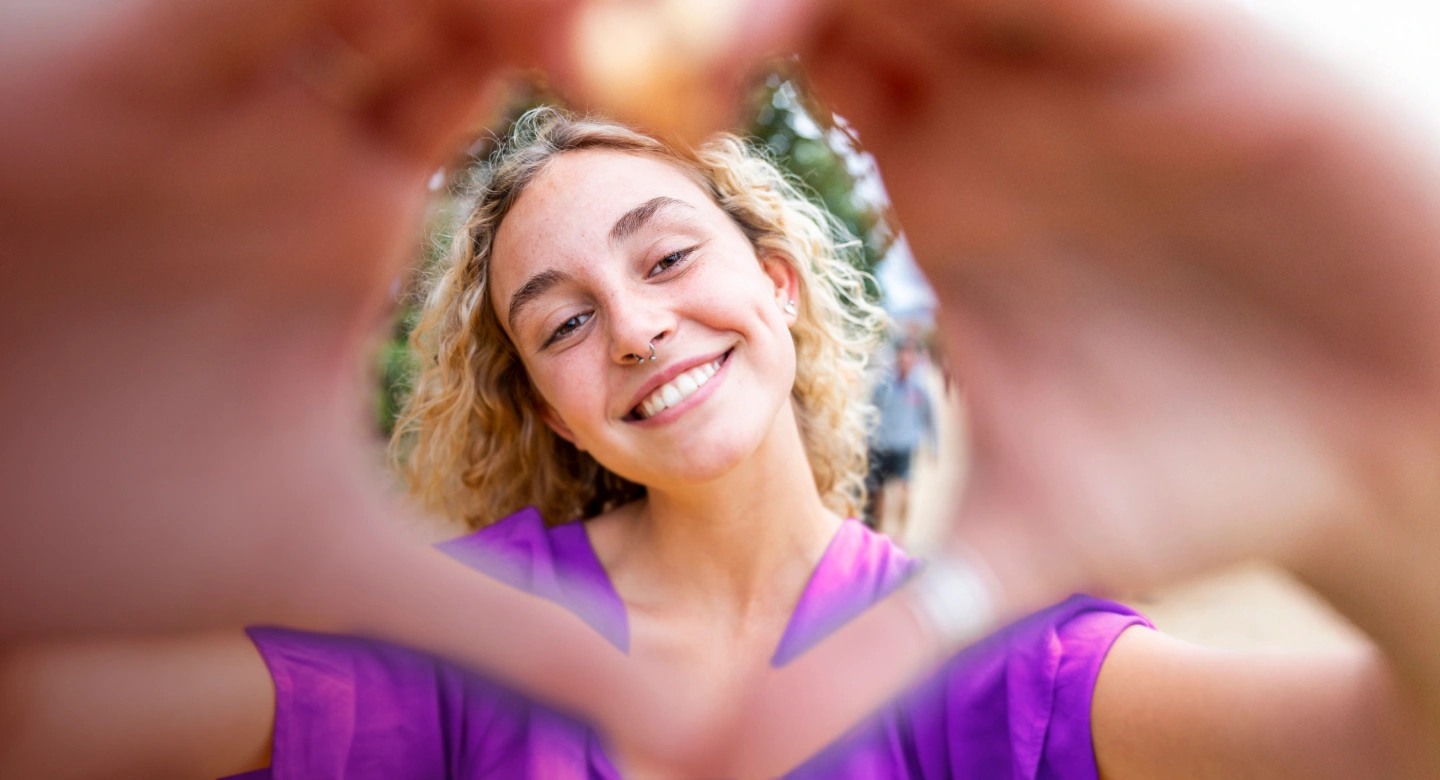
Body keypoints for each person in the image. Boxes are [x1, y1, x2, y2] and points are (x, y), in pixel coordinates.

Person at [1, 107, 1426, 780]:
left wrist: (1347, 472)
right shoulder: (468, 632)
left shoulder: (989, 666)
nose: (629, 328)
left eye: (667, 256)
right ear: (546, 406)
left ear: (780, 284)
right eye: (559, 326)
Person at [865, 339, 936, 535]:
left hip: (905, 447)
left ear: (914, 358)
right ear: (897, 356)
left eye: (909, 354)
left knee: (905, 494)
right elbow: (870, 411)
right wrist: (866, 439)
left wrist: (934, 446)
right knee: (878, 496)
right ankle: (878, 533)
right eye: (902, 354)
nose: (905, 358)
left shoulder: (919, 387)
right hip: (881, 446)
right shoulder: (883, 384)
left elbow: (931, 417)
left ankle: (900, 535)